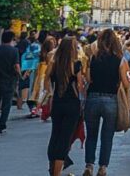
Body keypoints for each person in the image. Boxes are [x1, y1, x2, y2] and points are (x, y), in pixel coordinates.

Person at [82, 29, 130, 176]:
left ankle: (89, 165)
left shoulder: (93, 58)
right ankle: (103, 167)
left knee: (91, 135)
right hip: (111, 99)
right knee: (107, 136)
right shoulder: (120, 60)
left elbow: (89, 80)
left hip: (93, 97)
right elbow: (126, 83)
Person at [45, 36, 85, 176]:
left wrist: (51, 94)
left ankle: (52, 168)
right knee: (65, 138)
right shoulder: (76, 64)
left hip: (57, 102)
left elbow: (46, 82)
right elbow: (80, 86)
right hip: (72, 104)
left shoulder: (54, 63)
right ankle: (57, 171)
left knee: (55, 134)